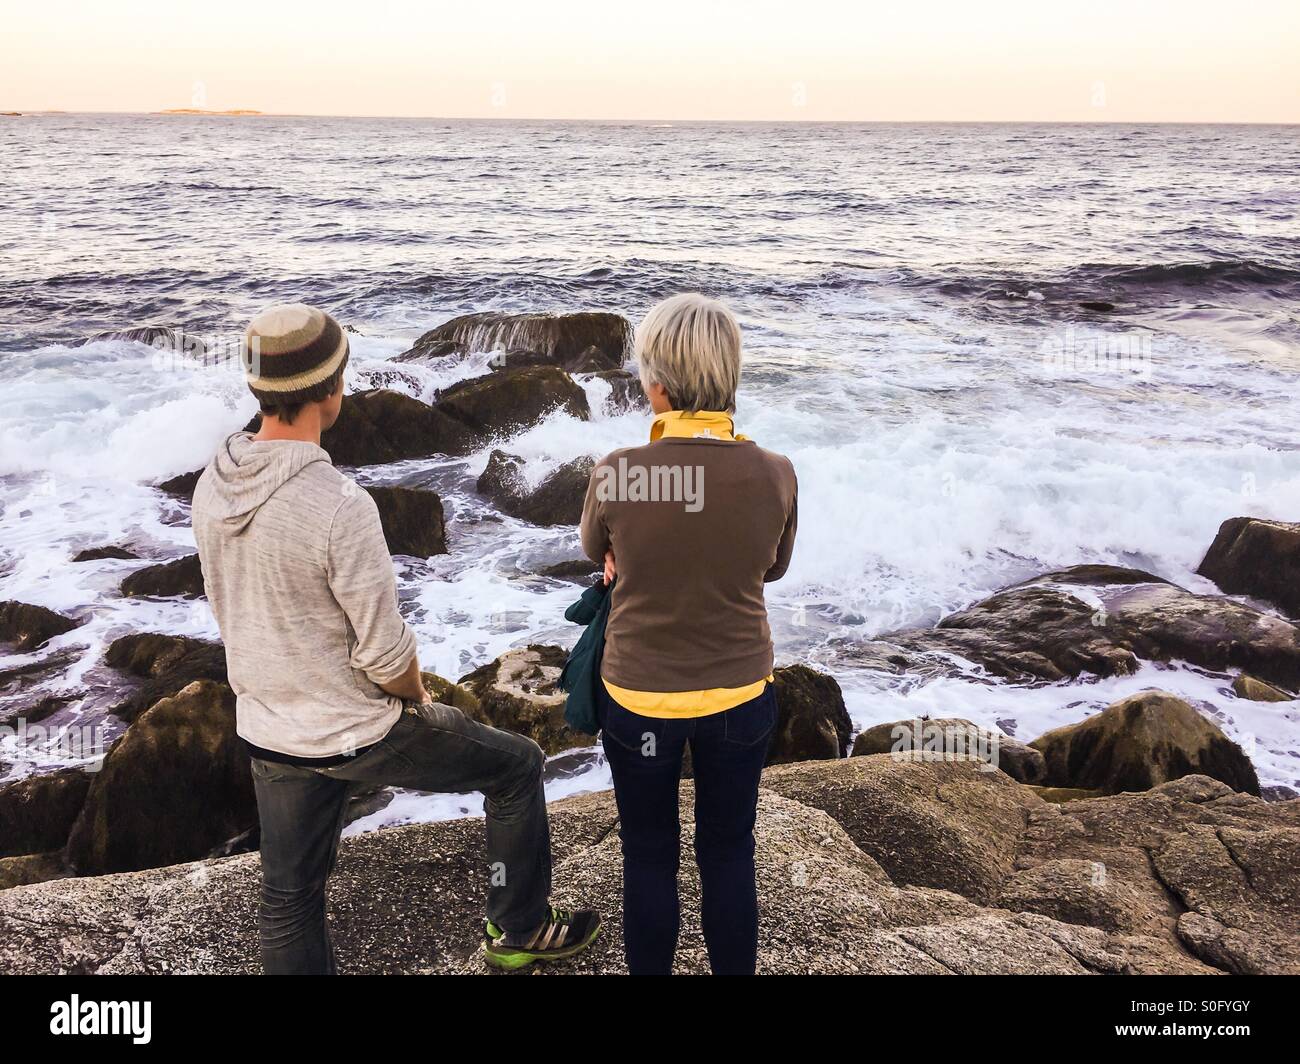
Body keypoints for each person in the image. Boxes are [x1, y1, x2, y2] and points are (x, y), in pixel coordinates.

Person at [192, 303, 599, 974]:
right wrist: (414, 697)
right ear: (333, 389)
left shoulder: (215, 483)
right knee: (516, 765)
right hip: (356, 729)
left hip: (268, 723)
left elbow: (225, 603)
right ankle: (519, 925)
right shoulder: (339, 506)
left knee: (290, 896)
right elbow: (385, 659)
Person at [580, 293, 797, 975]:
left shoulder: (618, 472)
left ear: (658, 386)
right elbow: (776, 566)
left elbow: (595, 548)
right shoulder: (775, 473)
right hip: (738, 695)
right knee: (729, 850)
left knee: (648, 852)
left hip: (640, 697)